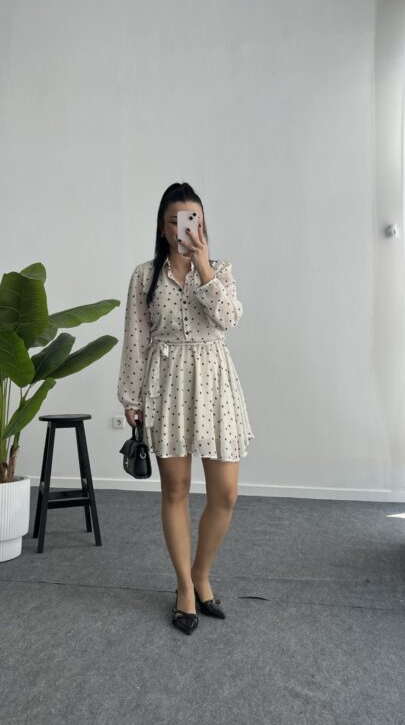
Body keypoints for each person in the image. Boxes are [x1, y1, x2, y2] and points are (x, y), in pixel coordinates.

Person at [117, 181, 254, 635]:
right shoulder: (144, 276)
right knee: (175, 490)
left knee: (225, 494)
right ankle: (184, 588)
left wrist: (203, 267)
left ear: (203, 224)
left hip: (215, 384)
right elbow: (136, 338)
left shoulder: (220, 270)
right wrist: (131, 397)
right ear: (162, 227)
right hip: (167, 385)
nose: (183, 228)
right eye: (174, 220)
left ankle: (201, 573)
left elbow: (229, 319)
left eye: (191, 219)